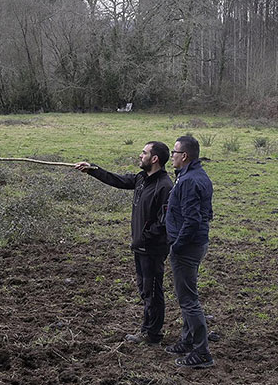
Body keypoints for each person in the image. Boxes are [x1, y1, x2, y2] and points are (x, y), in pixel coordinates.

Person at [74, 141, 173, 345]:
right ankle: (147, 329)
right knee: (145, 290)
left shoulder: (164, 187)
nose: (140, 155)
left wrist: (146, 236)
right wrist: (92, 169)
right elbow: (118, 180)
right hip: (140, 246)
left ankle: (153, 334)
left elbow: (165, 223)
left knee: (153, 291)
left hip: (152, 249)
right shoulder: (141, 179)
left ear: (154, 159)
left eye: (144, 153)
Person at [164, 135, 215, 368]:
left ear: (184, 156)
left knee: (188, 300)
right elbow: (207, 213)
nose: (171, 157)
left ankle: (202, 352)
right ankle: (187, 340)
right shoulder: (199, 176)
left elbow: (192, 220)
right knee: (187, 295)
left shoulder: (188, 181)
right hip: (196, 243)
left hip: (187, 247)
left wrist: (177, 246)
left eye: (175, 153)